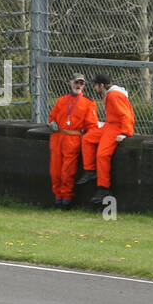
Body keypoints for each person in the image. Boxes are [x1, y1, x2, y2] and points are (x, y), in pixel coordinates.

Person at [47, 74, 96, 209]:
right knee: (55, 171)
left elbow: (92, 126)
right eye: (76, 82)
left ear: (84, 85)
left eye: (81, 83)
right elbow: (52, 117)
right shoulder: (62, 100)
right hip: (58, 138)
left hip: (73, 139)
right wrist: (51, 123)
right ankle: (58, 198)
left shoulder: (88, 102)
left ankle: (66, 200)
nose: (78, 85)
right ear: (70, 83)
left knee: (67, 172)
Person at [86, 73, 135, 206]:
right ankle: (90, 171)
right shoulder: (111, 94)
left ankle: (104, 189)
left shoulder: (114, 95)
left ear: (101, 85)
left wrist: (125, 132)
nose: (94, 87)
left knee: (102, 155)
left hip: (116, 127)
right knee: (87, 139)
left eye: (95, 85)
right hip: (110, 125)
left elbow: (126, 115)